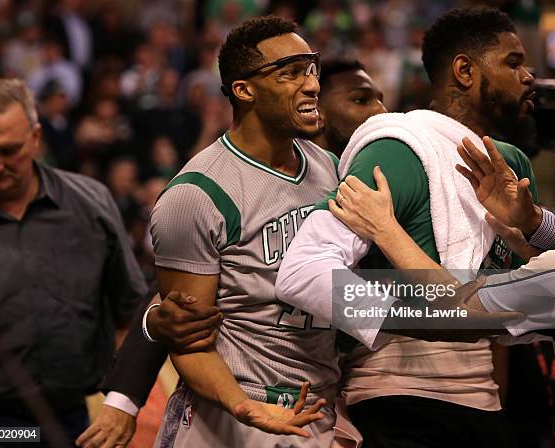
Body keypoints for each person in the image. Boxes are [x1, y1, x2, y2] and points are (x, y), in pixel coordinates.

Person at [75, 56, 387, 448]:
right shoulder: (215, 184)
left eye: (379, 99)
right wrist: (125, 397)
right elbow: (173, 304)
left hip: (325, 405)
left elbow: (376, 288)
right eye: (361, 100)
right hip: (235, 410)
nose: (379, 112)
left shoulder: (344, 174)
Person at [276, 8, 540, 447]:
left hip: (486, 408)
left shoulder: (513, 164)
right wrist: (434, 315)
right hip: (398, 404)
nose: (529, 77)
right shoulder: (399, 150)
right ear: (464, 71)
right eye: (513, 63)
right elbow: (301, 271)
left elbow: (508, 315)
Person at [0, 79, 147, 447]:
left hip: (73, 420)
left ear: (35, 138)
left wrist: (122, 402)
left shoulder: (90, 204)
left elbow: (131, 311)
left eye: (9, 150)